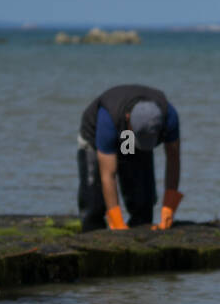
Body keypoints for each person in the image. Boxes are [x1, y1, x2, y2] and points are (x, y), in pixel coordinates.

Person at [77, 84, 182, 231]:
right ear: (128, 119)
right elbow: (108, 175)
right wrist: (117, 221)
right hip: (95, 138)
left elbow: (173, 160)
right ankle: (92, 233)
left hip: (129, 137)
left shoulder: (169, 116)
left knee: (142, 201)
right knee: (93, 202)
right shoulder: (108, 119)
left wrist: (169, 207)